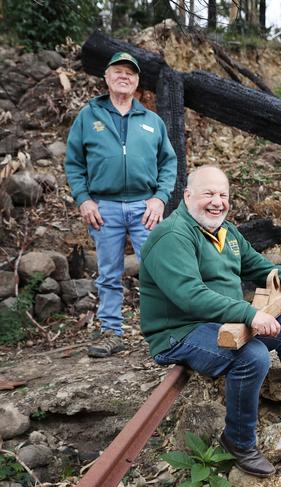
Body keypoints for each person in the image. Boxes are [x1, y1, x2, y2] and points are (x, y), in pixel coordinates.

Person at [139, 166, 281, 478]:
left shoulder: (225, 231)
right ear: (187, 196)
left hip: (220, 324)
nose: (217, 202)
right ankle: (239, 441)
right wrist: (251, 314)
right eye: (208, 194)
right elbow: (191, 296)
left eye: (223, 195)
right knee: (252, 355)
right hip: (180, 331)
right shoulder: (173, 235)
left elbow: (261, 267)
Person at [64, 51, 177, 358]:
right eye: (118, 71)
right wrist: (84, 200)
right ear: (107, 77)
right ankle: (111, 332)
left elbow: (168, 163)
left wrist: (159, 198)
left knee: (157, 269)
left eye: (130, 72)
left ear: (138, 81)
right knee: (109, 274)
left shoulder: (151, 121)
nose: (124, 76)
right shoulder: (89, 116)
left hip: (146, 207)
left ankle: (165, 333)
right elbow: (73, 163)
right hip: (105, 208)